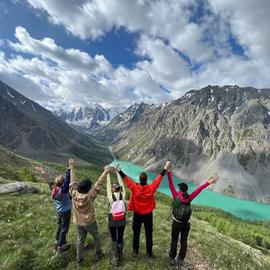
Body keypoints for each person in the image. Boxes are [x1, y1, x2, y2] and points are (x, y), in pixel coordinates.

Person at [167, 163, 218, 268]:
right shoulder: (189, 198)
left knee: (174, 240)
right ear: (186, 190)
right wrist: (209, 182)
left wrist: (168, 171)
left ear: (180, 190)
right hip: (186, 224)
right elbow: (199, 189)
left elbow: (170, 183)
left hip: (176, 223)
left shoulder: (176, 196)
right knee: (184, 242)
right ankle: (180, 259)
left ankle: (172, 258)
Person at [115, 161, 170, 258]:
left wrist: (119, 170)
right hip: (148, 215)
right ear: (146, 180)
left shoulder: (135, 188)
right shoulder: (151, 188)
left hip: (137, 215)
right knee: (149, 234)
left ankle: (135, 252)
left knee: (136, 233)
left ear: (140, 180)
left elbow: (126, 179)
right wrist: (165, 167)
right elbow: (159, 179)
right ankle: (149, 253)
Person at [69, 159, 109, 264]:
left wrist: (72, 167)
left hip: (78, 221)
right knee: (97, 237)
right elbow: (99, 185)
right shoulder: (90, 196)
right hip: (89, 222)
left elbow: (72, 182)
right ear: (88, 189)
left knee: (80, 240)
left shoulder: (73, 193)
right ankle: (99, 253)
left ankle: (79, 259)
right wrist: (105, 172)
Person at [36, 165, 72, 253]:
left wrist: (42, 171)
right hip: (65, 212)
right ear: (63, 184)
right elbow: (67, 180)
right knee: (64, 228)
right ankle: (61, 245)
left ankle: (57, 240)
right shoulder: (63, 191)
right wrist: (69, 168)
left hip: (59, 211)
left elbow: (48, 180)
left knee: (60, 225)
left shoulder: (54, 189)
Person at [106, 169, 126, 266]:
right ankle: (120, 253)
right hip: (122, 218)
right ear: (120, 189)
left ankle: (115, 258)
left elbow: (108, 185)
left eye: (113, 187)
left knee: (113, 237)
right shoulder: (123, 194)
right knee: (120, 236)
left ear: (113, 189)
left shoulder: (110, 197)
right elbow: (121, 183)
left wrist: (107, 173)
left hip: (112, 218)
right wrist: (118, 172)